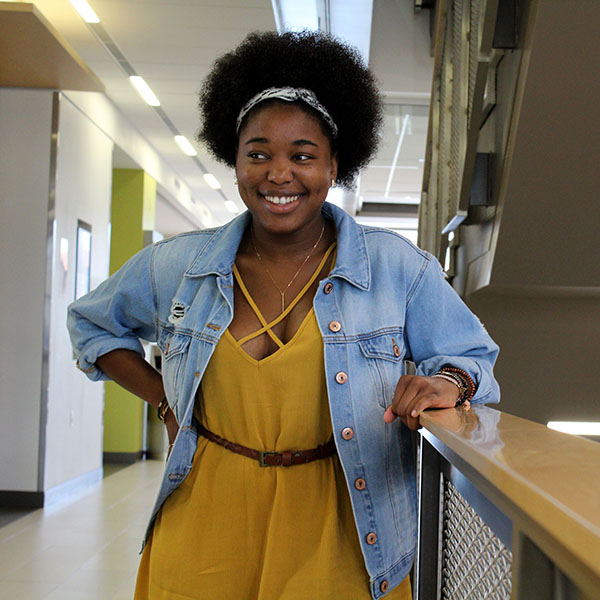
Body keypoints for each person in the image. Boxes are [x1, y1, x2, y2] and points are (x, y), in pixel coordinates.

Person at [67, 31, 499, 600]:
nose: (278, 174)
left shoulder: (396, 268)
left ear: (334, 164)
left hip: (346, 531)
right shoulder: (181, 266)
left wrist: (446, 382)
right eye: (258, 153)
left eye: (302, 155)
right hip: (203, 528)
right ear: (234, 157)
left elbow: (473, 360)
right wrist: (164, 398)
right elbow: (91, 325)